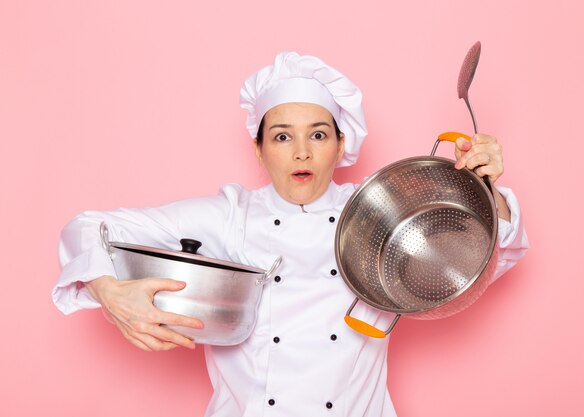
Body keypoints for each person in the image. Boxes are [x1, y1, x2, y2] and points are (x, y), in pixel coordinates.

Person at [52, 51, 529, 416]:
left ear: (342, 144)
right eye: (282, 136)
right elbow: (88, 226)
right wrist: (108, 291)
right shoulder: (228, 215)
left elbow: (480, 257)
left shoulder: (377, 210)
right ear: (258, 150)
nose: (301, 152)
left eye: (319, 134)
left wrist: (487, 188)